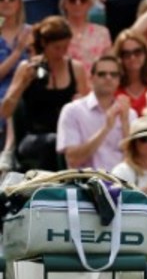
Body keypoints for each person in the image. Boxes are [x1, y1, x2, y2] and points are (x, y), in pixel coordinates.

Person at [0, 16, 89, 171]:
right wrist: (23, 84)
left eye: (65, 47)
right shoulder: (27, 67)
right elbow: (5, 110)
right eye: (56, 48)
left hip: (68, 135)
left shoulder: (76, 68)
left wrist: (80, 102)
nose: (61, 53)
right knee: (53, 142)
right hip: (34, 136)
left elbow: (86, 109)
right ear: (43, 43)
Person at [55, 54, 133, 172]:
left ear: (119, 80)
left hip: (122, 180)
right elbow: (73, 159)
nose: (108, 78)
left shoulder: (129, 114)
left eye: (114, 74)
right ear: (91, 78)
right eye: (102, 74)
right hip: (86, 180)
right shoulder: (72, 111)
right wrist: (106, 129)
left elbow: (137, 161)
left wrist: (125, 124)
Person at [61, 0, 111, 68]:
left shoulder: (102, 33)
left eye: (83, 0)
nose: (78, 3)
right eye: (72, 0)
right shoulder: (57, 31)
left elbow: (109, 63)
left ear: (89, 4)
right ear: (65, 4)